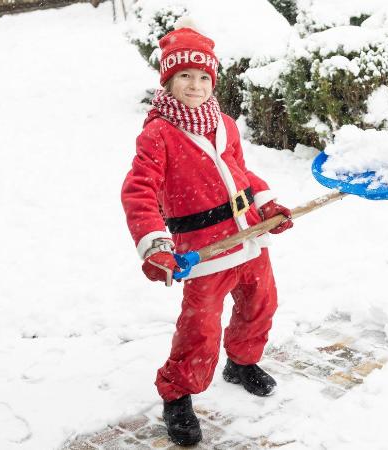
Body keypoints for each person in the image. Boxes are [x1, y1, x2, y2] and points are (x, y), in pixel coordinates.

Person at [120, 21, 293, 447]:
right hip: (204, 249)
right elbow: (138, 191)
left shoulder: (225, 124)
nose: (195, 85)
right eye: (184, 76)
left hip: (249, 235)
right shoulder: (158, 133)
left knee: (260, 304)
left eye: (203, 77)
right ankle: (177, 393)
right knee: (200, 327)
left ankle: (242, 362)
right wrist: (155, 247)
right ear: (168, 79)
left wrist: (266, 203)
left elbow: (240, 171)